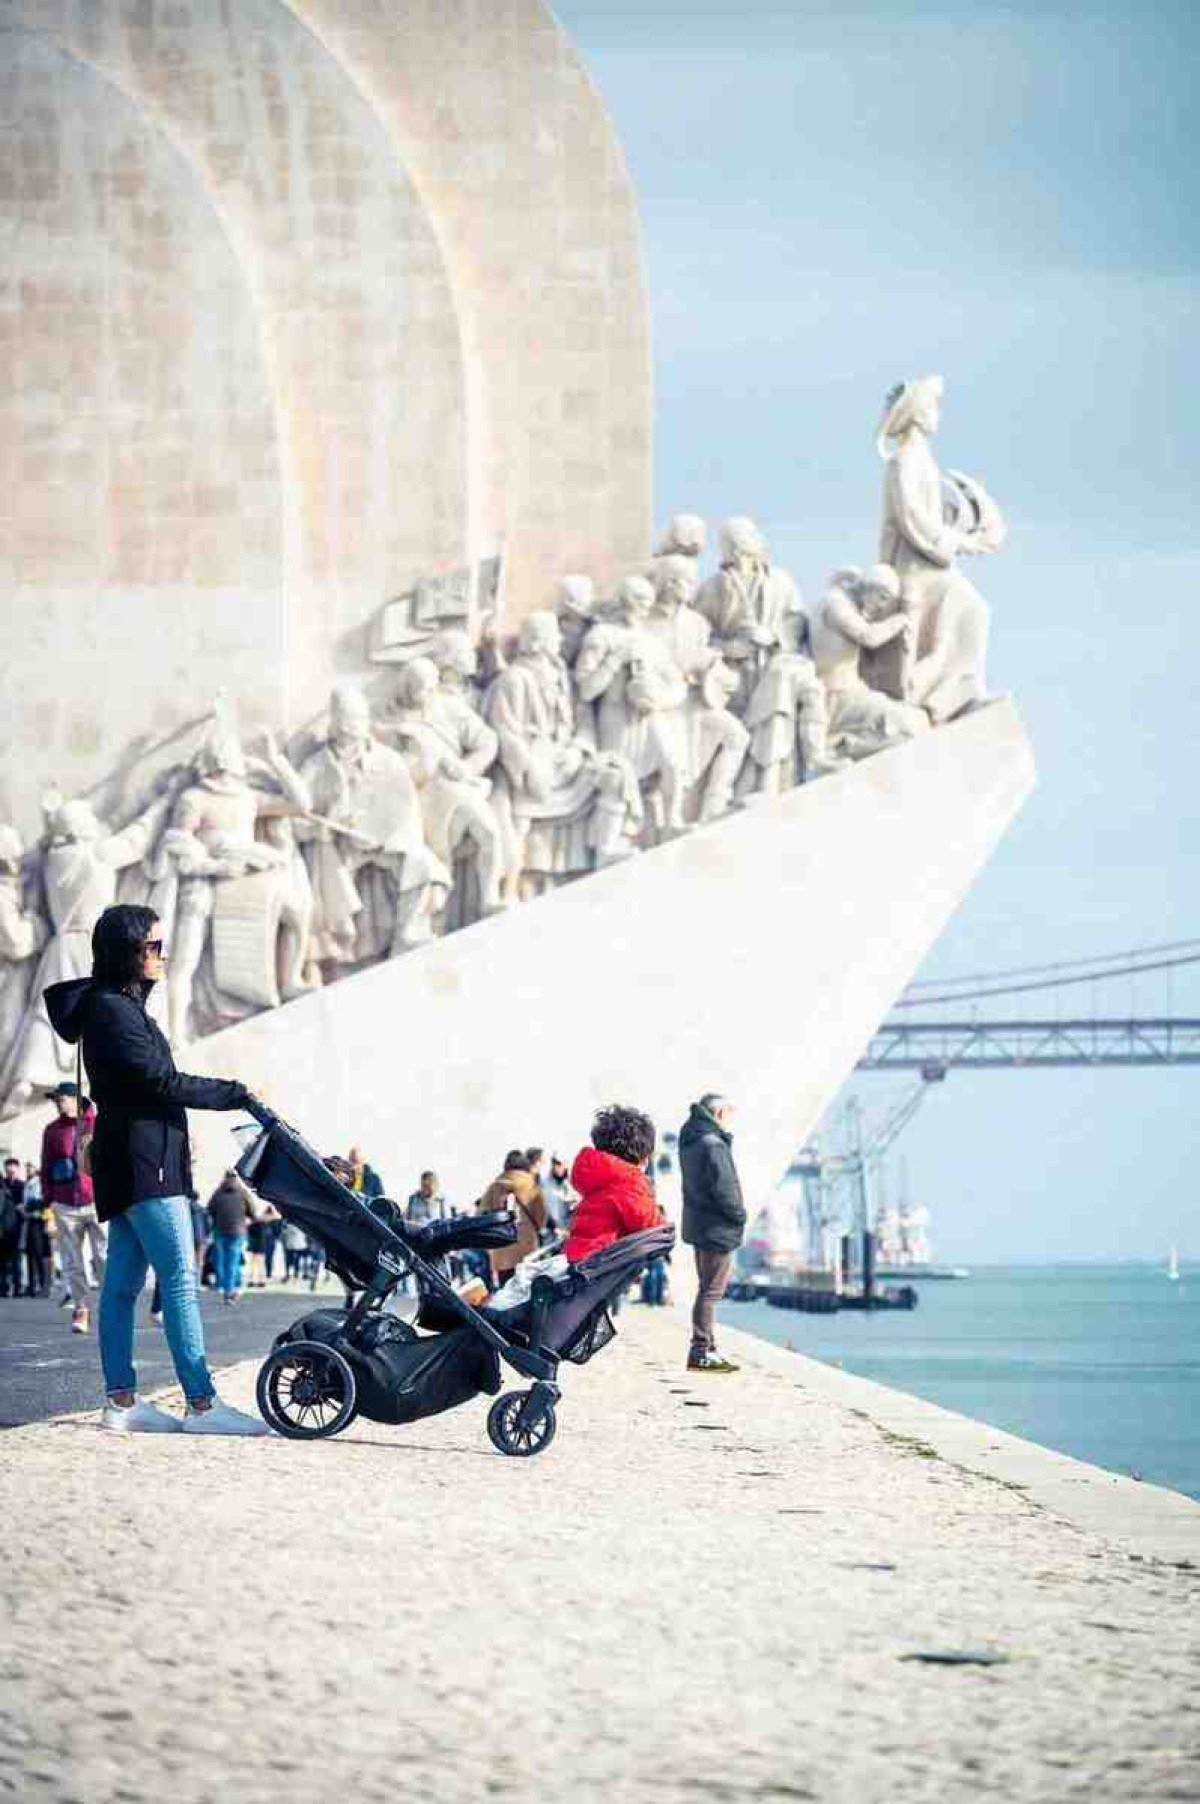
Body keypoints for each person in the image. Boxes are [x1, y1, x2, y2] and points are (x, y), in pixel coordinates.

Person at [44, 904, 269, 1434]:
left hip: (133, 1157)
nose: (162, 958)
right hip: (147, 1163)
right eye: (153, 947)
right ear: (128, 951)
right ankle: (202, 1405)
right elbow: (158, 1082)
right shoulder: (114, 1011)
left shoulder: (114, 1007)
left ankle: (121, 1402)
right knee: (179, 1279)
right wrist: (235, 1093)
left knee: (122, 1285)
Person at [678, 1093, 746, 1373]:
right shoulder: (714, 1145)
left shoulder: (692, 1141)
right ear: (718, 1113)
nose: (731, 1119)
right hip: (718, 1227)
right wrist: (740, 1215)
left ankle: (708, 1349)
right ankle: (701, 1350)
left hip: (699, 1225)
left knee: (705, 1288)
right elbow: (725, 1189)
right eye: (729, 1112)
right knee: (711, 1291)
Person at [40, 1081, 104, 1334]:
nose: (58, 1102)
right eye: (56, 1099)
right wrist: (48, 1203)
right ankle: (81, 1308)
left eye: (62, 1098)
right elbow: (46, 1166)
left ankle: (113, 1308)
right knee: (73, 1261)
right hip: (65, 1203)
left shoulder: (97, 1123)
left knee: (104, 1257)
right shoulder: (52, 1130)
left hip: (96, 1200)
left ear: (75, 1099)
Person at [477, 1150, 546, 1290]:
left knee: (507, 1291)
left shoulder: (494, 1186)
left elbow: (481, 1215)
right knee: (528, 1289)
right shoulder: (529, 1184)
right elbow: (541, 1216)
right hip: (527, 1249)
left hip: (500, 1251)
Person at [208, 1168, 256, 1303]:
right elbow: (252, 1211)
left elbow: (210, 1209)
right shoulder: (242, 1193)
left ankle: (224, 1287)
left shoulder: (218, 1193)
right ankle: (231, 1288)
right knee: (233, 1261)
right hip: (237, 1231)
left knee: (221, 1261)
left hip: (220, 1230)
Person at [0, 1154, 22, 1296]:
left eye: (13, 1166)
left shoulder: (22, 1186)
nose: (10, 1169)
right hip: (3, 1226)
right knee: (2, 1259)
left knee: (16, 1258)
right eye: (8, 1166)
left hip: (17, 1227)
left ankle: (17, 1286)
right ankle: (3, 1287)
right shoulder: (2, 1184)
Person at [543, 1155, 575, 1232]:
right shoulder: (543, 1184)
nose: (557, 1168)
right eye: (555, 1164)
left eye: (560, 1164)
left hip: (570, 1232)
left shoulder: (574, 1185)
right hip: (551, 1234)